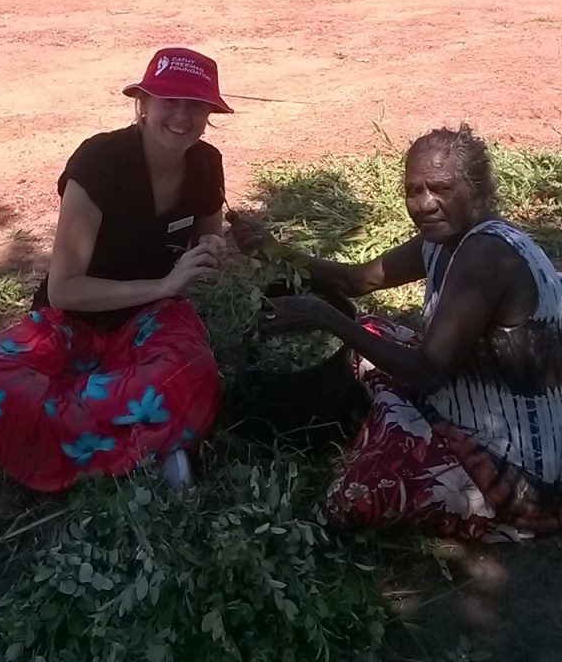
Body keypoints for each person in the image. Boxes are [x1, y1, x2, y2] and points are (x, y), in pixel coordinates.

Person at [233, 125, 562, 540]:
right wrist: (271, 250)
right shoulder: (445, 238)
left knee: (351, 497)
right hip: (474, 399)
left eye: (440, 188)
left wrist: (327, 318)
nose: (424, 204)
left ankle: (487, 502)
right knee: (373, 334)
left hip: (523, 474)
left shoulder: (485, 254)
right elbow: (357, 281)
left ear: (477, 192)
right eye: (414, 190)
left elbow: (428, 373)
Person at [0, 47, 233, 492]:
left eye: (195, 104)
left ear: (209, 112)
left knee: (195, 372)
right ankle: (145, 439)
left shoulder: (206, 163)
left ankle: (69, 413)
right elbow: (63, 291)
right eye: (168, 101)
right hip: (72, 319)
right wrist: (165, 283)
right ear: (142, 104)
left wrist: (212, 252)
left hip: (150, 318)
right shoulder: (98, 163)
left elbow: (207, 239)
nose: (181, 116)